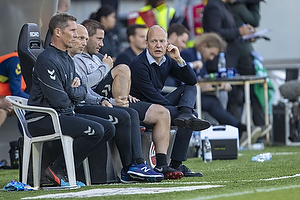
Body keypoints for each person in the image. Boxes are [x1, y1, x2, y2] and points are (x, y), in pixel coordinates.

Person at [74, 19, 184, 180]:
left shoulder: (97, 58)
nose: (102, 44)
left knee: (163, 112)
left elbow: (191, 80)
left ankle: (162, 165)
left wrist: (125, 94)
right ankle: (136, 163)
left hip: (112, 100)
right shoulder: (76, 59)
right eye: (98, 39)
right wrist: (110, 99)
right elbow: (82, 89)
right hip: (96, 104)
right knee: (130, 106)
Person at [25, 13, 115, 186]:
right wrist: (73, 91)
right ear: (58, 32)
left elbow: (81, 91)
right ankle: (57, 168)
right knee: (96, 130)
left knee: (109, 128)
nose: (76, 34)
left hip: (64, 114)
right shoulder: (46, 60)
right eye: (73, 30)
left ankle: (65, 168)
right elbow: (61, 101)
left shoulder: (67, 57)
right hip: (43, 119)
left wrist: (73, 91)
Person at [130, 25, 211, 177]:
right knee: (188, 118)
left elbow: (192, 80)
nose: (158, 45)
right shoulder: (139, 64)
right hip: (143, 107)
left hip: (158, 103)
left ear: (167, 43)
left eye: (162, 41)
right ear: (146, 43)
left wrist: (178, 59)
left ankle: (175, 164)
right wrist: (177, 110)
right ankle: (174, 163)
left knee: (189, 91)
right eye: (154, 41)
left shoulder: (167, 59)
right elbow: (152, 95)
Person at [181, 33, 262, 146]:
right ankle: (239, 128)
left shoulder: (199, 58)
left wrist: (216, 86)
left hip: (197, 95)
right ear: (204, 45)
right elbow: (181, 77)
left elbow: (203, 79)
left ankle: (235, 129)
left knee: (214, 99)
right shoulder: (187, 54)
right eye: (212, 54)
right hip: (185, 97)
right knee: (212, 102)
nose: (211, 58)